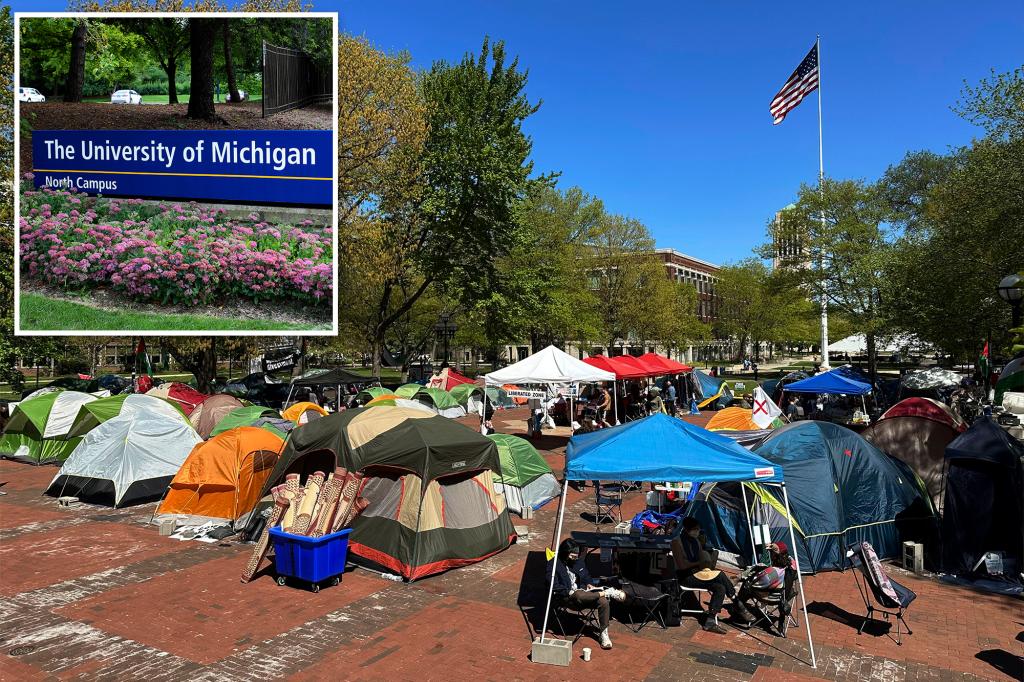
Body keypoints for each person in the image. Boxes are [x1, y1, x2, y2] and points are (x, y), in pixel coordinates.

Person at [671, 517, 754, 634]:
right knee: (720, 575)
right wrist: (699, 562)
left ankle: (710, 622)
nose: (697, 531)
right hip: (686, 576)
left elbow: (701, 558)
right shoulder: (676, 542)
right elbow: (682, 566)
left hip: (698, 572)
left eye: (698, 529)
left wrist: (707, 559)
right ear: (687, 529)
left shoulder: (695, 541)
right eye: (695, 529)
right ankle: (737, 603)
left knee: (720, 587)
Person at [547, 539, 626, 649]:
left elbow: (586, 576)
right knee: (578, 594)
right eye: (573, 556)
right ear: (565, 553)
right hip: (567, 597)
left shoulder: (578, 561)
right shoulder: (553, 564)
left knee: (603, 602)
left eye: (576, 556)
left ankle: (603, 633)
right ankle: (608, 592)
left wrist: (589, 584)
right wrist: (570, 592)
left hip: (585, 594)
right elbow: (554, 586)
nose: (575, 559)